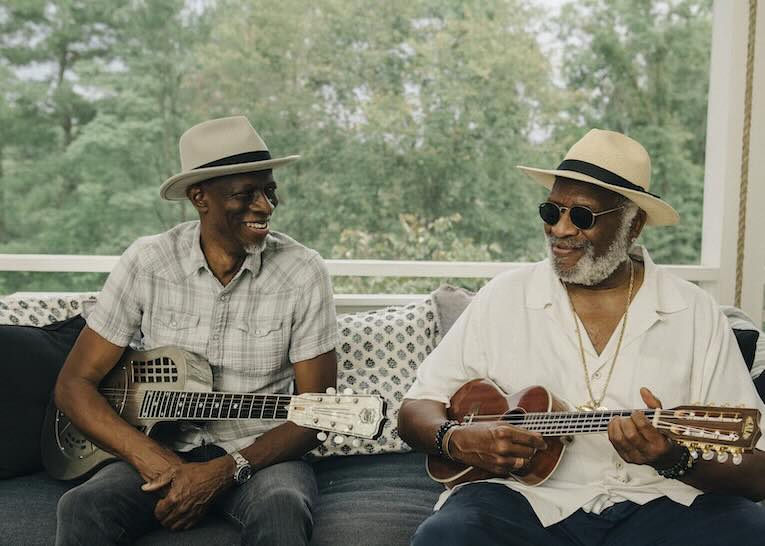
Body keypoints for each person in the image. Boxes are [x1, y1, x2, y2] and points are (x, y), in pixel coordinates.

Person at [398, 129, 765, 545]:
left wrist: (673, 458)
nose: (561, 229)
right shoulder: (503, 296)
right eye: (551, 212)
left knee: (748, 532)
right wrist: (456, 438)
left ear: (634, 224)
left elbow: (757, 472)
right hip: (524, 501)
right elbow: (414, 410)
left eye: (583, 216)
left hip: (660, 502)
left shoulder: (695, 312)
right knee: (446, 536)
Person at [54, 116, 338, 545]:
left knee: (283, 508)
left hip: (259, 456)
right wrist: (151, 458)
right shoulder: (149, 262)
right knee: (81, 507)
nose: (266, 206)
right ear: (199, 197)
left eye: (270, 190)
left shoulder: (303, 272)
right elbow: (74, 385)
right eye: (246, 194)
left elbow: (315, 414)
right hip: (159, 447)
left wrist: (223, 472)